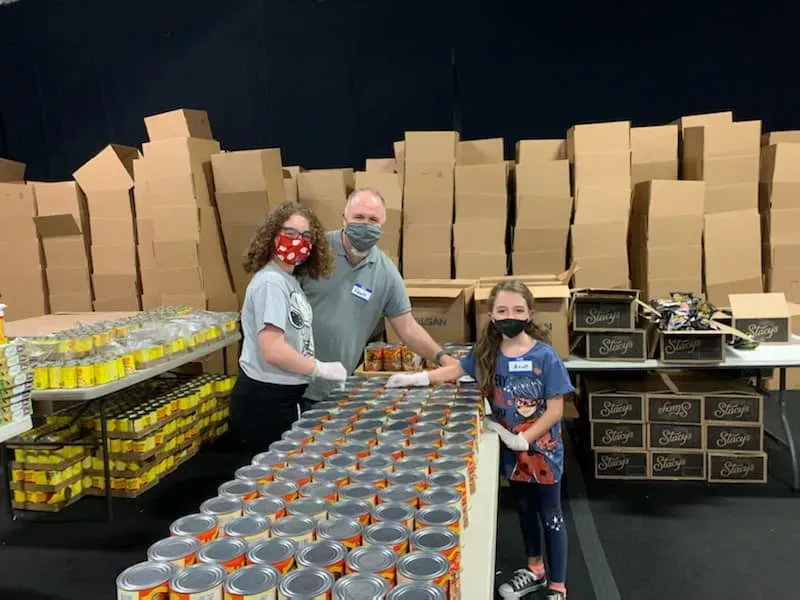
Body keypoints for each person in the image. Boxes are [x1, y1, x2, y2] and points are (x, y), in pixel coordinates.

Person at [386, 279, 573, 600]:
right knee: (525, 511)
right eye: (501, 310)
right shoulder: (488, 353)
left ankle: (558, 586)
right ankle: (535, 569)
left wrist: (525, 438)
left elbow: (556, 409)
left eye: (517, 310)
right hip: (513, 455)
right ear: (492, 315)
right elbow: (455, 371)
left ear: (530, 313)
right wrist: (416, 378)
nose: (508, 316)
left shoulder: (546, 357)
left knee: (551, 517)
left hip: (543, 453)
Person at [298, 188, 460, 410]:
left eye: (373, 220)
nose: (365, 224)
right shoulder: (313, 252)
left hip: (333, 388)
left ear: (383, 225)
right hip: (290, 383)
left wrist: (443, 358)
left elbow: (408, 327)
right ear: (344, 220)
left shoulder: (385, 271)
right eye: (359, 218)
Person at [229, 202, 348, 453]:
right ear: (272, 237)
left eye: (306, 236)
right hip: (264, 402)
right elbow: (272, 349)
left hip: (282, 398)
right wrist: (320, 369)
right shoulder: (271, 282)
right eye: (290, 233)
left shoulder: (288, 280)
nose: (298, 241)